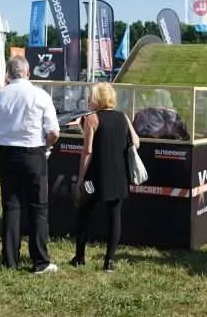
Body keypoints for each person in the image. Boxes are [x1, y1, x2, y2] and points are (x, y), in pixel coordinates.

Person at [0, 55, 60, 274]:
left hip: (7, 153)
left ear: (8, 74)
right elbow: (54, 132)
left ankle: (9, 260)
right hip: (34, 152)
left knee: (11, 206)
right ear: (28, 72)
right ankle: (40, 261)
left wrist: (5, 138)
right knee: (38, 207)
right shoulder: (40, 95)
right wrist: (45, 145)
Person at [71, 82, 138, 272]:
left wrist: (81, 178)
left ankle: (80, 256)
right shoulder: (123, 117)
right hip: (118, 174)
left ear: (97, 99)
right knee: (114, 216)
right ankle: (109, 260)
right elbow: (136, 142)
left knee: (84, 212)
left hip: (95, 176)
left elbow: (87, 151)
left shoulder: (92, 119)